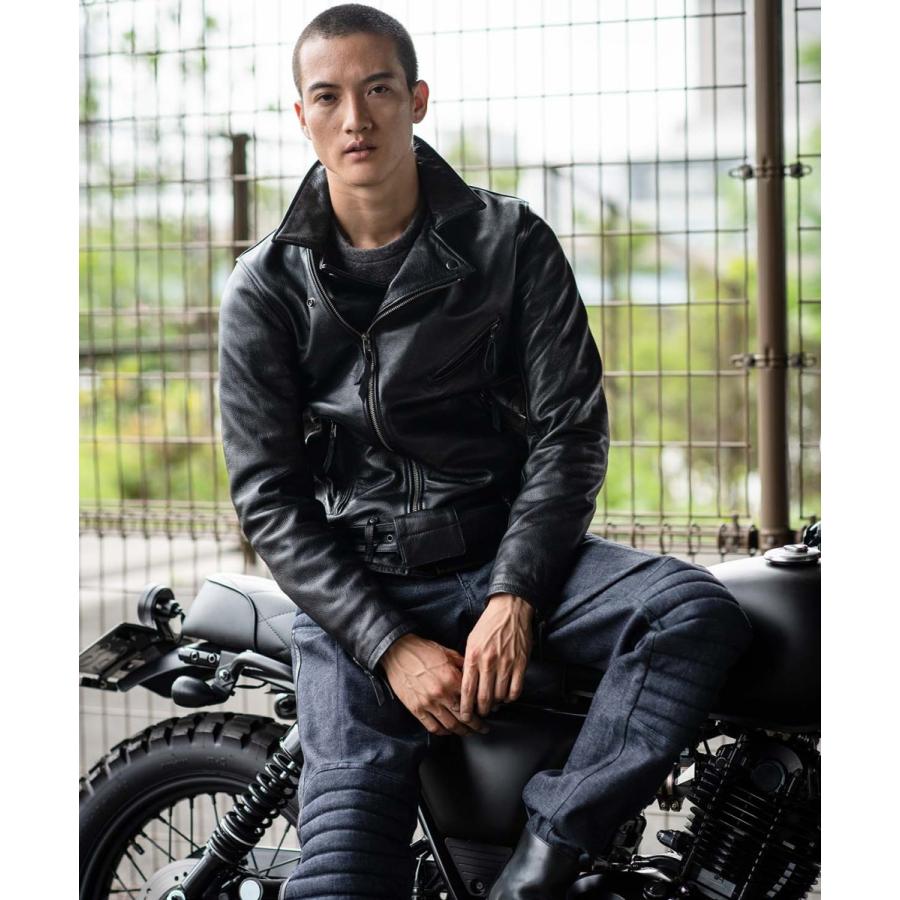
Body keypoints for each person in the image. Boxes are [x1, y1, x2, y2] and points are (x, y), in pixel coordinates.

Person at [217, 5, 754, 899]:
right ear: (302, 115)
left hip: (504, 550)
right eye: (330, 97)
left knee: (694, 612)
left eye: (379, 89)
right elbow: (270, 499)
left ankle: (544, 859)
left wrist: (516, 593)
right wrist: (390, 645)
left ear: (417, 98)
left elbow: (570, 431)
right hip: (361, 588)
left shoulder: (510, 240)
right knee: (343, 881)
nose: (357, 118)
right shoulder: (264, 286)